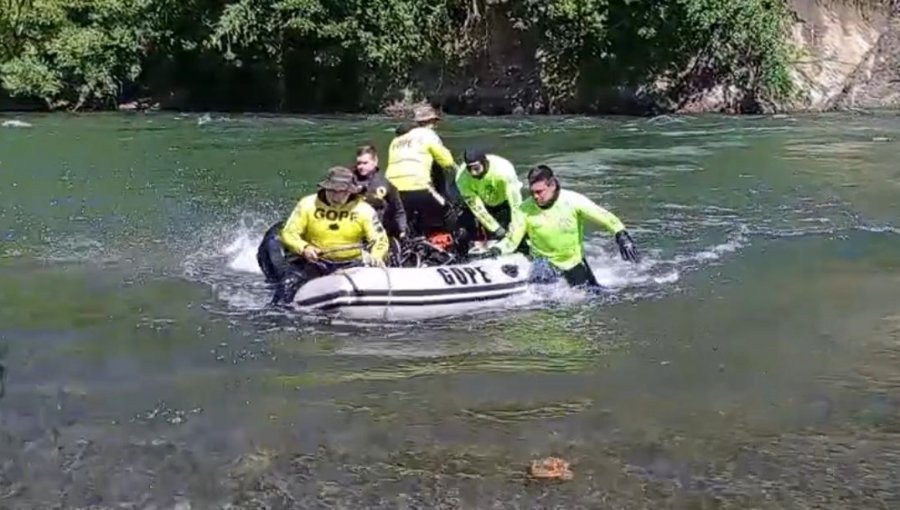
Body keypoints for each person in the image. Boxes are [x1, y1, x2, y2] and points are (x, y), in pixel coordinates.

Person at [257, 166, 390, 304]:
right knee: (288, 284)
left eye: (341, 192)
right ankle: (280, 317)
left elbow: (379, 240)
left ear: (350, 191)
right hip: (315, 263)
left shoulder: (364, 210)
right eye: (332, 191)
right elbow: (289, 234)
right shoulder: (307, 204)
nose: (336, 196)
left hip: (351, 264)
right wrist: (304, 248)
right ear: (325, 188)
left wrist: (377, 255)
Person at [491, 165, 639, 288]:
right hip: (543, 264)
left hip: (572, 262)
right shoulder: (524, 209)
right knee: (543, 302)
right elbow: (512, 239)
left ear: (552, 186)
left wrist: (621, 234)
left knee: (593, 296)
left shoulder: (572, 200)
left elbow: (604, 216)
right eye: (532, 192)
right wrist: (496, 250)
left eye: (539, 192)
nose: (535, 197)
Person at [384, 104, 460, 242]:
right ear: (432, 122)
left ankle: (407, 240)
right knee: (448, 210)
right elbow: (447, 162)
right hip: (418, 186)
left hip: (392, 190)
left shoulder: (397, 140)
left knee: (408, 214)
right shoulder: (428, 134)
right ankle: (454, 247)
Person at [455, 147, 525, 252]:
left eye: (476, 168)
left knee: (517, 232)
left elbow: (516, 204)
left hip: (505, 202)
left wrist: (516, 229)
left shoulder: (504, 170)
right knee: (465, 232)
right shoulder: (462, 178)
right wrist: (495, 228)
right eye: (469, 169)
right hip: (484, 204)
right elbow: (476, 207)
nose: (473, 173)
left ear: (485, 163)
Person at [353, 144, 408, 241]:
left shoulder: (385, 183)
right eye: (359, 163)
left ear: (375, 161)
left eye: (365, 163)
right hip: (354, 231)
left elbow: (398, 209)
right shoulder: (349, 180)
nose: (361, 167)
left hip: (378, 231)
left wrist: (402, 230)